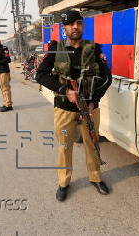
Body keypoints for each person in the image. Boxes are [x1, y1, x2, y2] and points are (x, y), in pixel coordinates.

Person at [36, 10, 112, 202]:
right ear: (65, 28)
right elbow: (41, 75)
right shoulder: (56, 48)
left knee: (92, 145)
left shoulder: (94, 49)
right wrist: (65, 90)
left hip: (90, 108)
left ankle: (95, 178)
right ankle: (63, 183)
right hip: (64, 109)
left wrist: (95, 100)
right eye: (70, 24)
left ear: (83, 26)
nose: (75, 27)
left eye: (78, 23)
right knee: (64, 147)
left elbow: (106, 78)